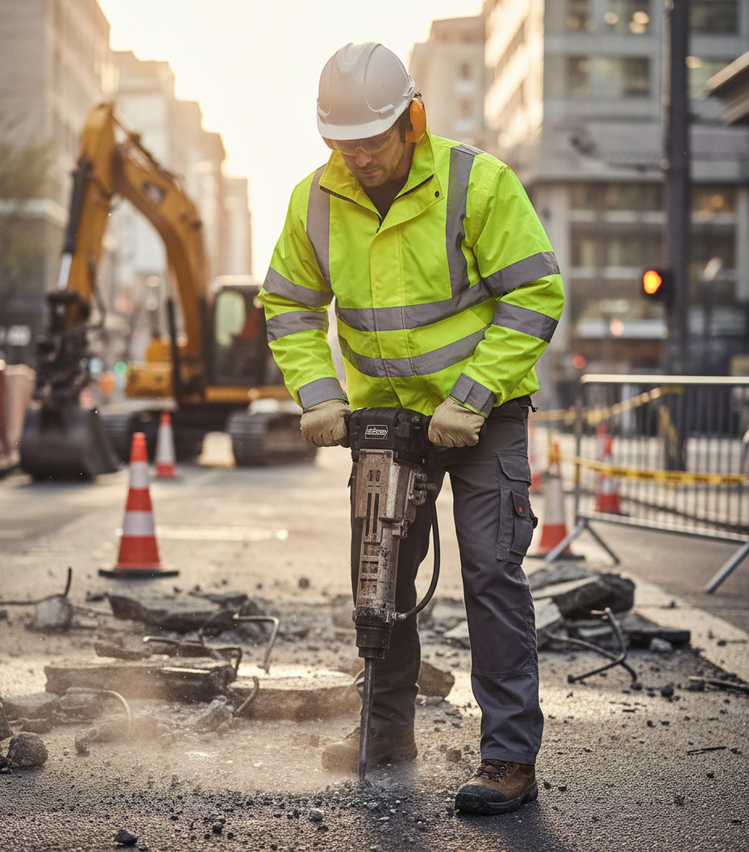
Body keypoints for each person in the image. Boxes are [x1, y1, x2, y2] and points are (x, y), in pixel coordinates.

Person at [259, 42, 564, 816]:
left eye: (371, 139)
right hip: (384, 422)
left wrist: (473, 395)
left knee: (492, 572)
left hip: (482, 417)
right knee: (381, 579)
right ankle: (387, 734)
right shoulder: (315, 202)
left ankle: (508, 758)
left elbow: (535, 293)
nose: (358, 156)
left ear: (410, 118)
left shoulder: (476, 183)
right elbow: (290, 306)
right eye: (342, 142)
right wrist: (320, 394)